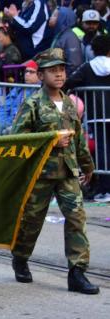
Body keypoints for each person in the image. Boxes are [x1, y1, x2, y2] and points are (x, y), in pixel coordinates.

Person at [10, 48, 99, 295]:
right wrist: (49, 140)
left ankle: (77, 272)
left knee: (76, 219)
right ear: (40, 75)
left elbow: (78, 137)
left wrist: (88, 165)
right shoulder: (33, 104)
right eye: (53, 71)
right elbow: (18, 139)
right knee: (31, 221)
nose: (59, 75)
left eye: (61, 70)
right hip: (41, 173)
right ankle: (20, 257)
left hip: (68, 173)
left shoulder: (69, 102)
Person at [65, 34, 110, 200]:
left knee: (103, 151)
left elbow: (69, 82)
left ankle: (106, 189)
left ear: (92, 50)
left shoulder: (87, 67)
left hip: (97, 117)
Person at [49, 7, 83, 76]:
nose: (50, 18)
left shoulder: (70, 38)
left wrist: (61, 78)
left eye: (54, 15)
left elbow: (74, 64)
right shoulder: (59, 35)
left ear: (63, 19)